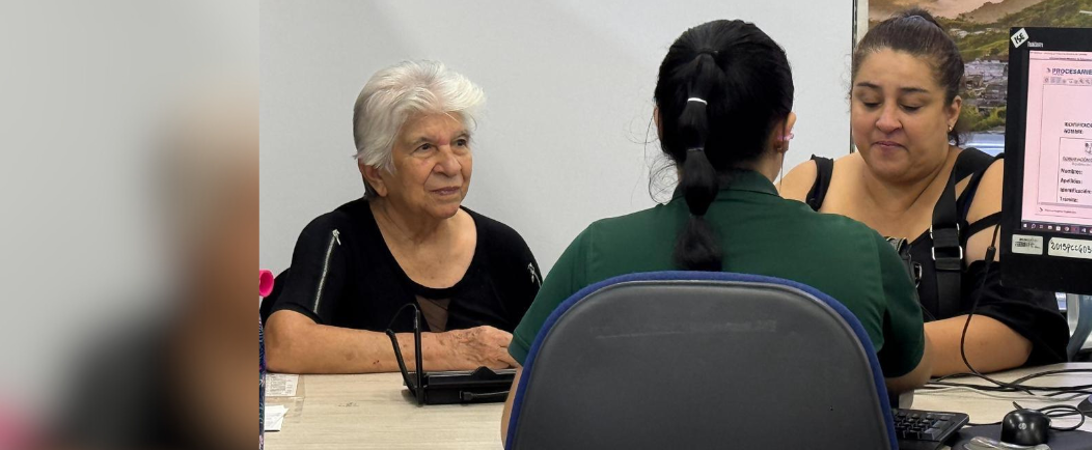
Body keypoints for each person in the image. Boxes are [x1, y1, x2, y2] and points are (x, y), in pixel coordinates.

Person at [500, 19, 937, 439]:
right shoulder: (860, 251)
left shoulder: (595, 252)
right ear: (785, 131)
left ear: (662, 124)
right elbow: (909, 373)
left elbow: (518, 426)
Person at [778, 9, 1068, 376]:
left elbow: (1013, 329)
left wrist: (867, 355)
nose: (886, 121)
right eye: (869, 102)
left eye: (910, 106)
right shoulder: (809, 186)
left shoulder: (988, 183)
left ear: (951, 112)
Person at [261, 60, 541, 374]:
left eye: (460, 143)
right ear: (376, 173)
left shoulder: (504, 249)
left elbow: (552, 356)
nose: (451, 166)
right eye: (425, 147)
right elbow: (286, 346)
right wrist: (449, 350)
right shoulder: (336, 237)